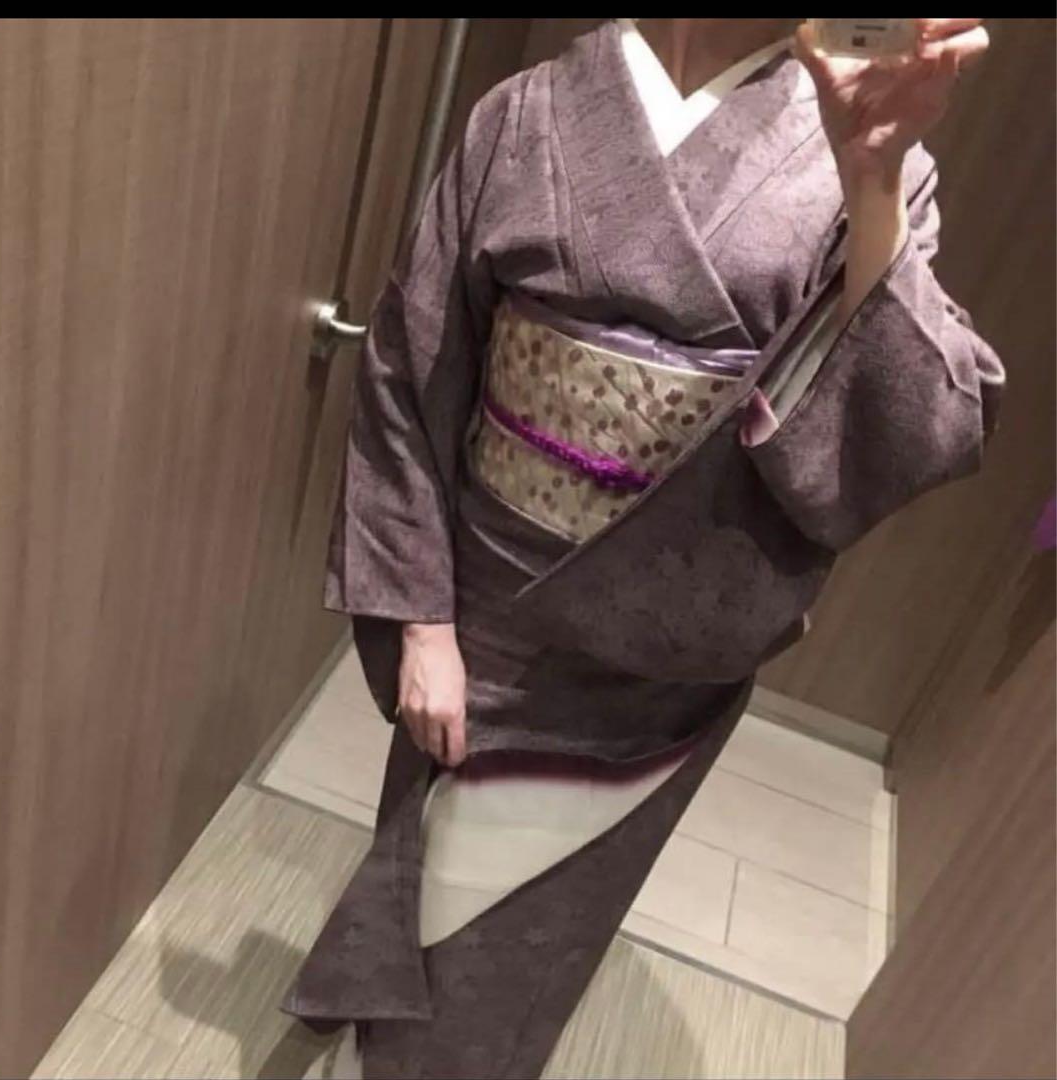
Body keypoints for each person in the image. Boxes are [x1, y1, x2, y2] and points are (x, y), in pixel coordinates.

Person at [284, 18, 1003, 1079]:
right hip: (495, 604)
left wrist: (873, 182)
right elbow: (411, 366)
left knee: (536, 922)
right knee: (434, 849)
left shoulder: (872, 156)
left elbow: (912, 436)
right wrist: (420, 616)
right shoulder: (525, 115)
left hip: (668, 648)